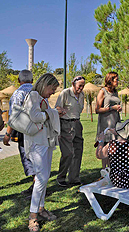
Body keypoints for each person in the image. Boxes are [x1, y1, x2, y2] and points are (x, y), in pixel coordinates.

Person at [24, 73, 64, 232]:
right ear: (45, 84)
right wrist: (52, 113)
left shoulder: (43, 99)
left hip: (45, 142)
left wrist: (53, 112)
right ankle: (32, 216)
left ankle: (40, 209)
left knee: (45, 177)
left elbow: (45, 117)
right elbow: (34, 116)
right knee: (41, 178)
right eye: (52, 89)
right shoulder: (33, 96)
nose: (53, 92)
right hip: (36, 143)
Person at [3, 70, 36, 197]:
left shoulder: (17, 94)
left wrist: (7, 135)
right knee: (37, 157)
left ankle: (36, 188)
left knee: (28, 158)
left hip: (24, 131)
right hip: (39, 130)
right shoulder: (38, 91)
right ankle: (36, 186)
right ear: (32, 80)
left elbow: (13, 117)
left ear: (18, 80)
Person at [96, 119, 129, 188]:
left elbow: (99, 155)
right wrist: (118, 132)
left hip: (120, 181)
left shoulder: (113, 144)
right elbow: (128, 137)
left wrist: (101, 140)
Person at [55, 76, 85, 187]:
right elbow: (57, 107)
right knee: (68, 153)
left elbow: (79, 109)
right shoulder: (65, 93)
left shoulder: (82, 95)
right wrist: (61, 110)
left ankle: (74, 178)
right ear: (73, 84)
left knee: (78, 151)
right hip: (66, 124)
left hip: (77, 123)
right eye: (79, 86)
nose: (81, 88)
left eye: (83, 86)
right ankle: (61, 177)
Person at [95, 72, 122, 168]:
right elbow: (97, 109)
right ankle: (104, 171)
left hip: (115, 121)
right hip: (105, 122)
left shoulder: (115, 92)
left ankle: (112, 170)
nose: (118, 81)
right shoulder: (102, 91)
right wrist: (112, 108)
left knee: (114, 146)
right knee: (105, 146)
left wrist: (118, 108)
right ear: (110, 80)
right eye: (116, 80)